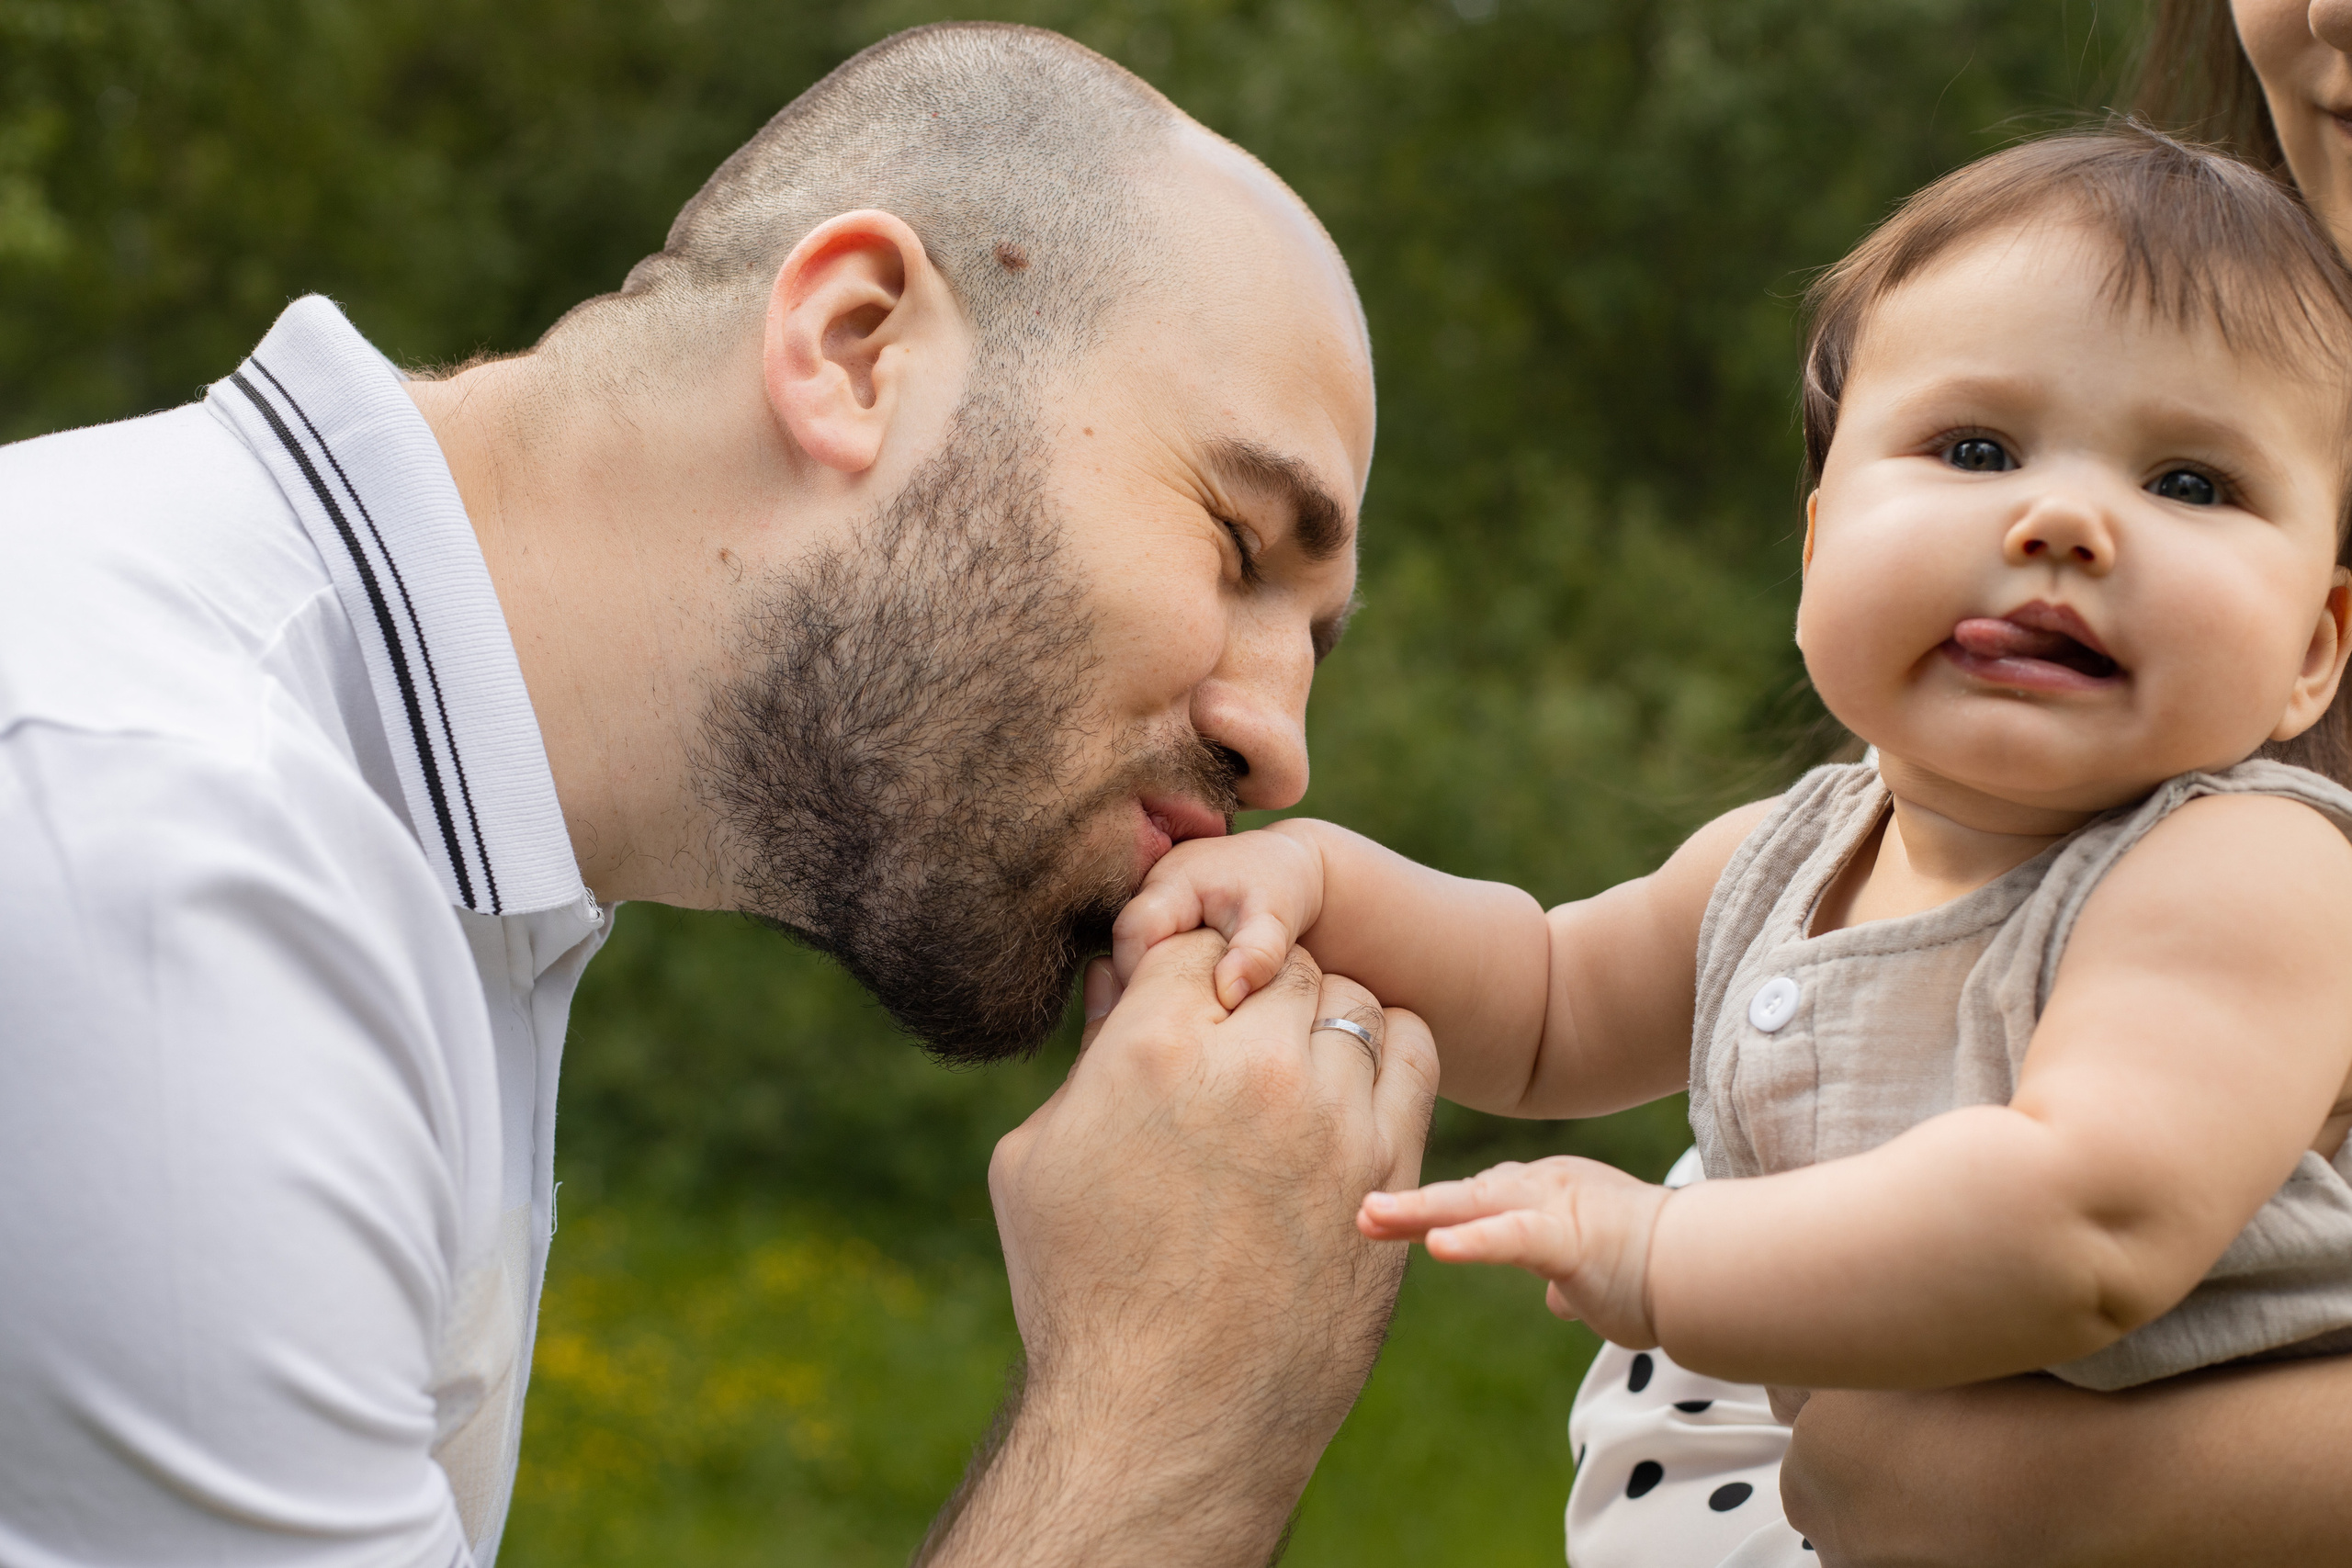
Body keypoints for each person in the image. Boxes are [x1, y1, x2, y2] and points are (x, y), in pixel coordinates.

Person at [0, 23, 1442, 1568]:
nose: (1281, 743)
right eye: (1237, 543)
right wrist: (1166, 1418)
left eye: (1316, 640)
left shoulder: (401, 830)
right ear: (852, 345)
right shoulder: (172, 853)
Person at [1113, 124, 2352, 1563]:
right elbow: (1547, 995)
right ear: (1820, 541)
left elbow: (2086, 1220)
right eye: (1975, 448)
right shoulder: (1788, 854)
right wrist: (1325, 885)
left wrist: (1657, 1254)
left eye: (2191, 484)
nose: (2064, 520)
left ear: (2312, 654)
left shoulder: (2248, 872)